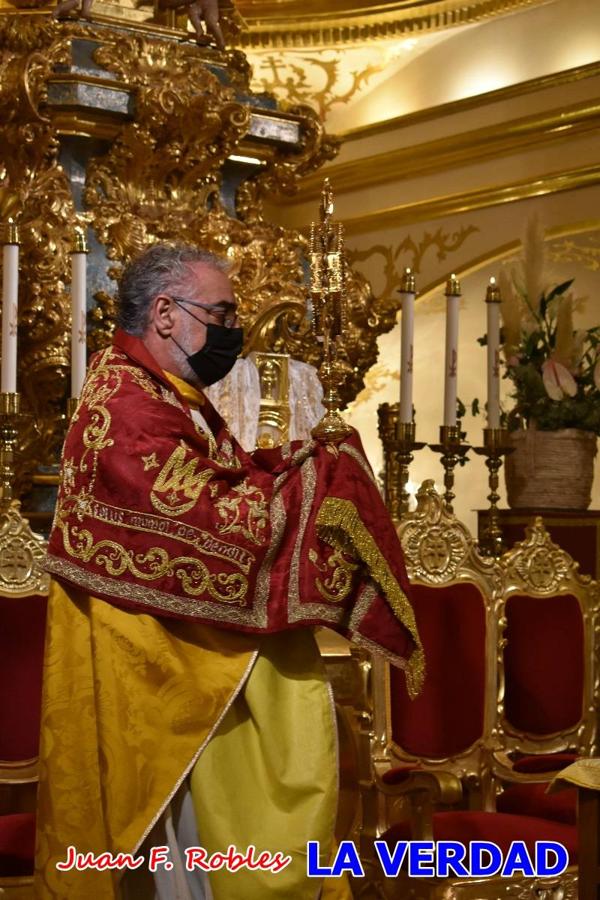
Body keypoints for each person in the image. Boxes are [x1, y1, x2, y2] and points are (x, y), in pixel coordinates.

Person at [34, 243, 423, 899]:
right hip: (158, 678)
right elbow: (201, 522)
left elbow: (219, 482)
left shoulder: (163, 391)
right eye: (219, 311)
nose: (230, 330)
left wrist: (294, 464)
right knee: (176, 869)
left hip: (177, 658)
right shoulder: (126, 404)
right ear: (164, 314)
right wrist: (314, 488)